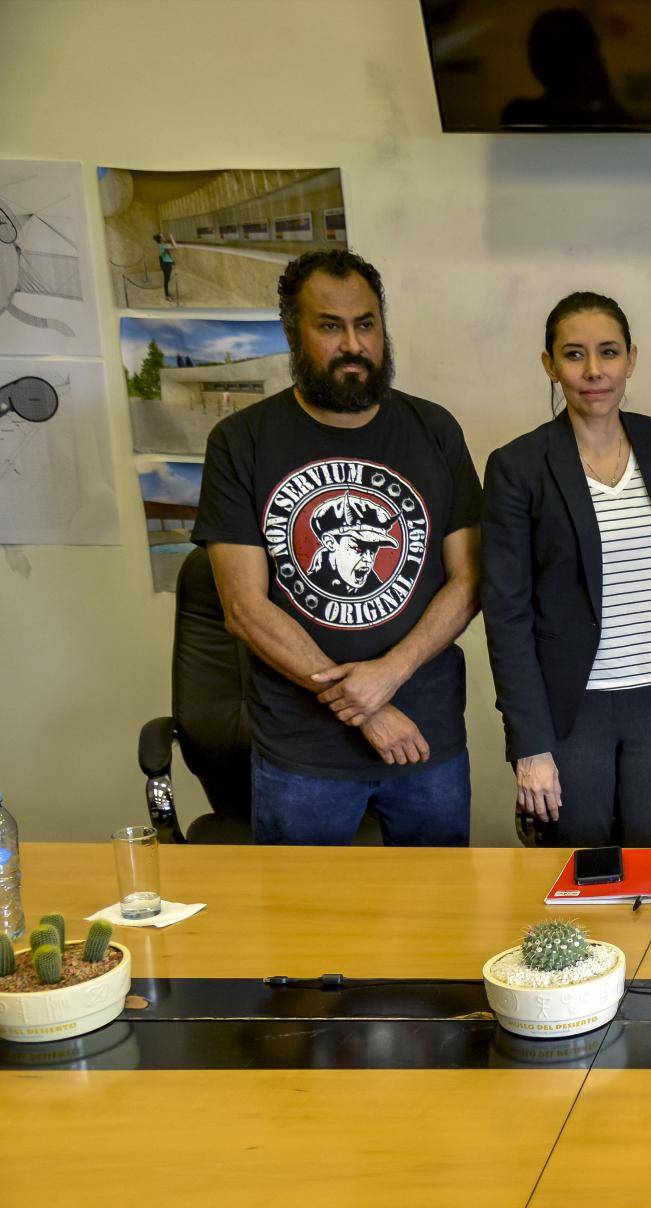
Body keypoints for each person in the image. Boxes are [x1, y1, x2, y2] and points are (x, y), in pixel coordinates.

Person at [192, 249, 482, 845]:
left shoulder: (434, 429)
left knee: (440, 919)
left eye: (366, 324)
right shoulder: (241, 442)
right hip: (303, 750)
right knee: (306, 927)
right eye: (330, 326)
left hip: (427, 735)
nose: (353, 344)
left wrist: (391, 672)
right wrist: (368, 707)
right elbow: (245, 610)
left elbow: (471, 578)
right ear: (293, 333)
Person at [482, 292, 651, 847]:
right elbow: (506, 615)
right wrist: (529, 743)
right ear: (549, 365)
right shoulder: (517, 466)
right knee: (580, 876)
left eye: (608, 353)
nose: (594, 371)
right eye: (574, 355)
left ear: (631, 357)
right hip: (570, 710)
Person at [152, 232, 176, 305]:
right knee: (166, 280)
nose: (164, 237)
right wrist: (172, 237)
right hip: (166, 264)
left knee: (167, 280)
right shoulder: (163, 246)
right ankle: (167, 296)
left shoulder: (162, 245)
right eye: (162, 236)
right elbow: (175, 247)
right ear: (161, 239)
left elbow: (166, 252)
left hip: (167, 263)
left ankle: (167, 294)